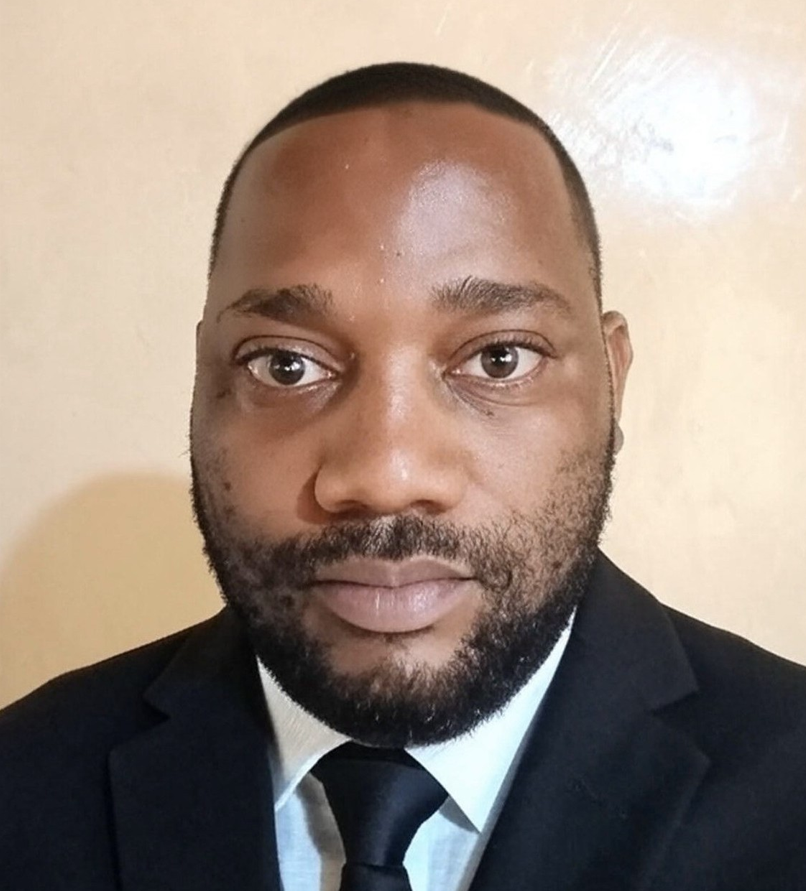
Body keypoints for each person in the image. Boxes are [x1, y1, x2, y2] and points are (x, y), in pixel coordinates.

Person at [1, 62, 804, 891]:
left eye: (499, 358)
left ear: (612, 378)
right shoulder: (23, 792)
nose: (385, 477)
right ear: (202, 381)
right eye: (285, 365)